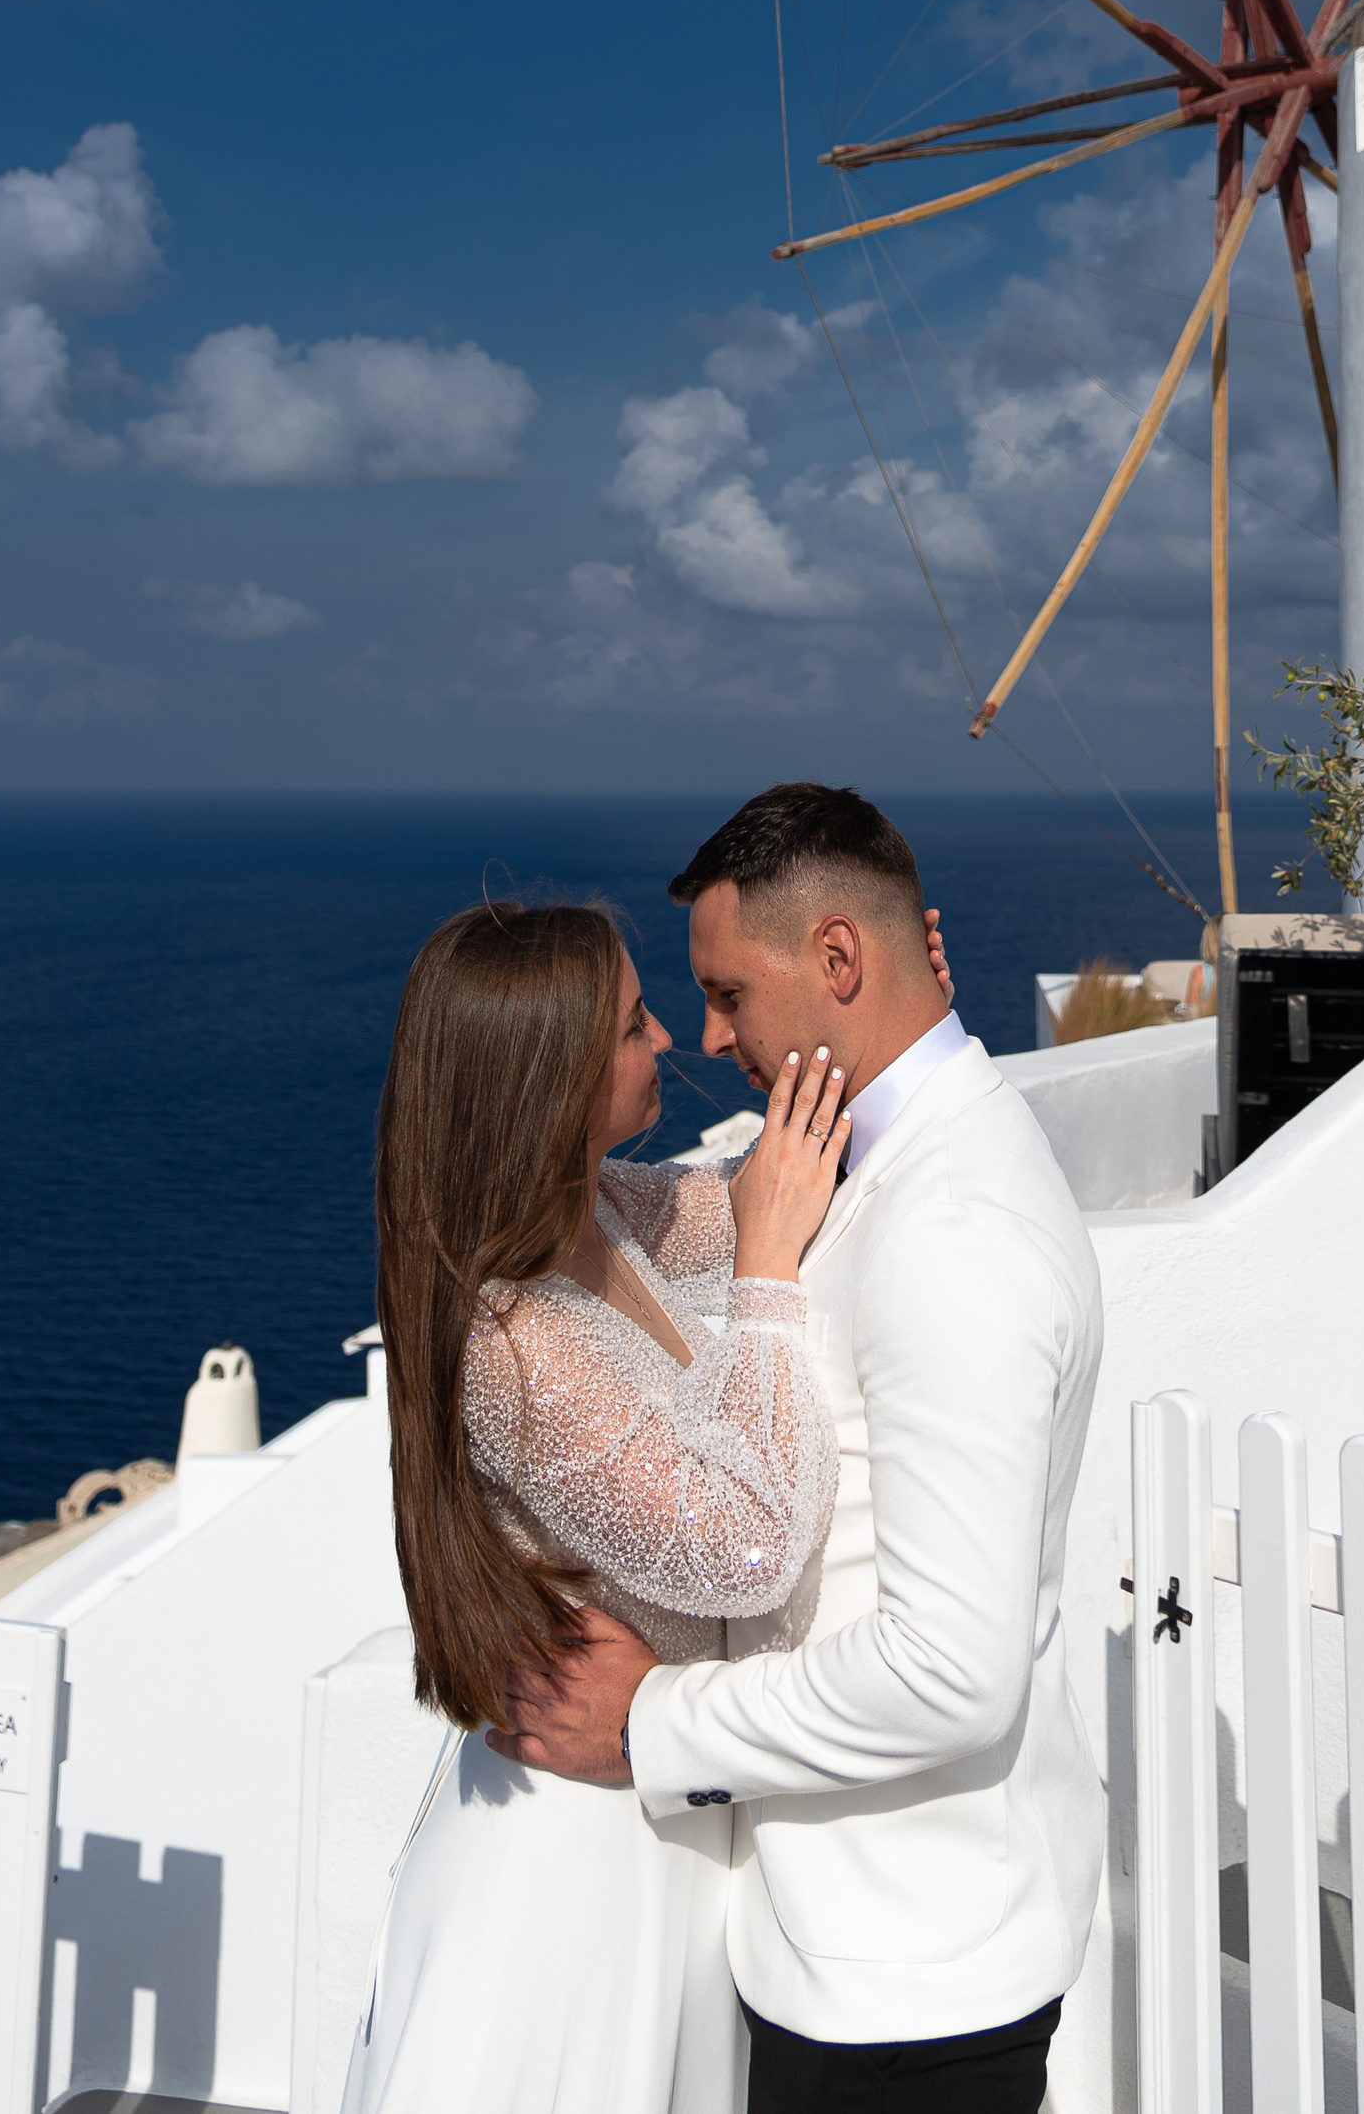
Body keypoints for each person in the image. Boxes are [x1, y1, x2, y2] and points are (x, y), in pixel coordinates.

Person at [499, 786, 1107, 2114]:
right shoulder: (874, 1158)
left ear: (838, 961)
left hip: (903, 1972)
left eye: (726, 992)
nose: (711, 1035)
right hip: (847, 1933)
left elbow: (952, 1672)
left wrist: (648, 1721)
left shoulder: (955, 1236)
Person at [343, 896, 852, 2114]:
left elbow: (767, 1178)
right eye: (631, 1026)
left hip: (650, 1834)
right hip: (567, 1878)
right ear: (550, 1078)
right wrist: (769, 1274)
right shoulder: (511, 1337)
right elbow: (747, 1547)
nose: (669, 1036)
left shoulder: (606, 1215)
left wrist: (857, 1008)